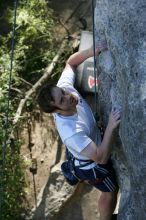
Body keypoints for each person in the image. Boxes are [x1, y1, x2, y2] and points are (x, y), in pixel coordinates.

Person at [37, 42, 121, 220]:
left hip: (85, 145)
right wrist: (111, 126)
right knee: (110, 190)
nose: (68, 96)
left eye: (62, 91)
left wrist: (92, 51)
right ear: (56, 111)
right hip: (91, 166)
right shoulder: (71, 132)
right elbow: (100, 157)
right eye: (62, 100)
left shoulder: (65, 88)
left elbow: (70, 63)